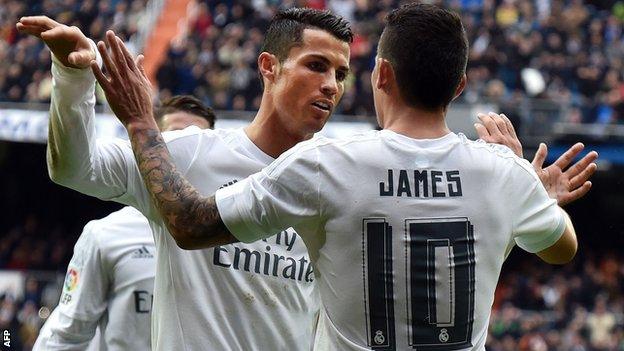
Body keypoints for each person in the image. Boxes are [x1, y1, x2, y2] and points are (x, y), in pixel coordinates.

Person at [96, 4, 598, 351]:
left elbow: (188, 224)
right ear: (460, 85)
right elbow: (561, 248)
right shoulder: (503, 174)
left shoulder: (328, 163)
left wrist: (142, 120)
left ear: (380, 74)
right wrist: (535, 195)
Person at [17, 9, 352, 350]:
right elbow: (75, 168)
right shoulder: (188, 154)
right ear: (269, 66)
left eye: (341, 74)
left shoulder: (333, 180)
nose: (331, 85)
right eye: (316, 65)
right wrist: (72, 78)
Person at [32, 96, 215, 351]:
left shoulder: (233, 234)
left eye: (199, 142)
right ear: (152, 150)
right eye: (176, 138)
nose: (188, 152)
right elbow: (68, 336)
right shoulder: (106, 235)